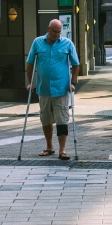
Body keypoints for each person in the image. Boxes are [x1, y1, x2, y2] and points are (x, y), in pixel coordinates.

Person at [25, 19, 80, 161]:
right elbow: (30, 63)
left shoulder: (67, 44)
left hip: (61, 88)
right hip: (43, 88)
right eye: (54, 31)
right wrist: (31, 82)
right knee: (46, 119)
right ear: (48, 29)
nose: (57, 34)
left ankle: (62, 150)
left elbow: (76, 64)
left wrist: (73, 82)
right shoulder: (37, 42)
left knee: (62, 119)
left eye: (59, 32)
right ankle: (49, 146)